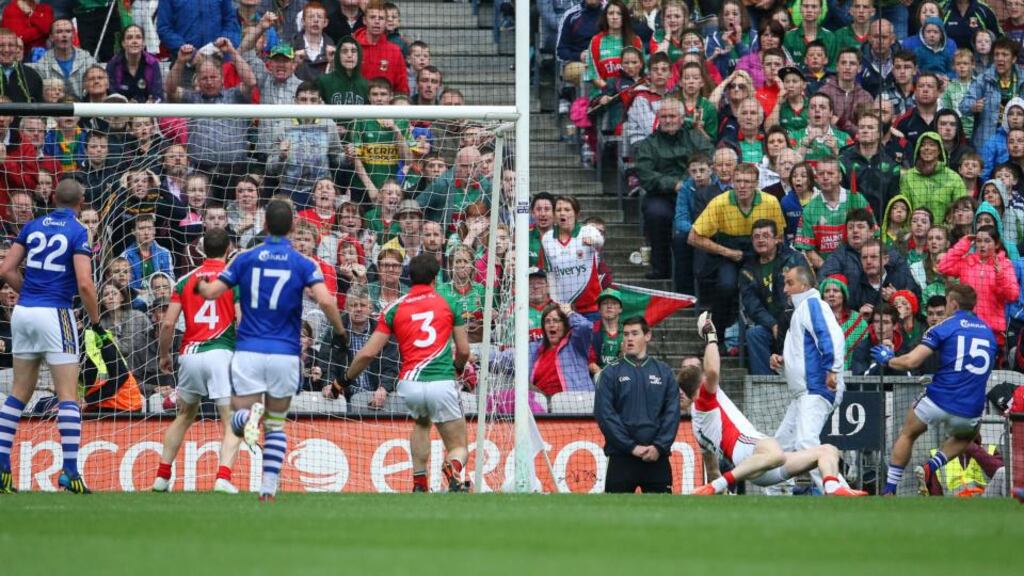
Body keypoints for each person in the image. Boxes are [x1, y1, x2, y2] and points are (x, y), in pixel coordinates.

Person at [196, 199, 346, 502]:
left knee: (240, 415)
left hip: (249, 350)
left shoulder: (244, 258)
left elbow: (212, 293)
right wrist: (340, 332)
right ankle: (268, 487)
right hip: (285, 354)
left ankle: (245, 420)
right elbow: (327, 302)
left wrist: (200, 285)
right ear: (292, 227)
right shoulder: (304, 263)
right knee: (276, 424)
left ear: (264, 226)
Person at [678, 312, 865, 497]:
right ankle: (722, 483)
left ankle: (833, 489)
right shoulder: (704, 399)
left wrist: (720, 491)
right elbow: (712, 370)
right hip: (748, 450)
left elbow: (711, 469)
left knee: (828, 451)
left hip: (760, 468)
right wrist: (710, 335)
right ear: (701, 382)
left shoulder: (697, 424)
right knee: (777, 452)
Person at [0, 179, 101, 494]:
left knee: (18, 393)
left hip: (24, 313)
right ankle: (69, 471)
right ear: (81, 203)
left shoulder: (31, 225)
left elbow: (5, 269)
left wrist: (27, 292)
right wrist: (96, 320)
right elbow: (85, 283)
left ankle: (3, 468)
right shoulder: (77, 231)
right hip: (56, 313)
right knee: (68, 395)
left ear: (54, 198)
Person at [340, 253, 471, 493]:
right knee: (459, 446)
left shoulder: (393, 308)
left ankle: (419, 483)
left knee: (421, 424)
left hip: (409, 383)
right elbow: (463, 350)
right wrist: (459, 368)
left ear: (409, 277)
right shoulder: (448, 302)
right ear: (435, 277)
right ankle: (452, 467)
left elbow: (368, 353)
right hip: (441, 380)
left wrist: (343, 381)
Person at [872, 285, 999, 496]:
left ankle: (889, 489)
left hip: (938, 399)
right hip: (970, 408)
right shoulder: (988, 333)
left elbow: (912, 361)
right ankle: (931, 466)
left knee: (908, 433)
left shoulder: (944, 327)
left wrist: (889, 359)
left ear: (953, 304)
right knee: (967, 437)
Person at [152, 228, 241, 494]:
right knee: (230, 419)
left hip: (189, 355)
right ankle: (222, 477)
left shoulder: (184, 280)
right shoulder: (232, 280)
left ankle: (162, 477)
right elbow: (241, 319)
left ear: (201, 250)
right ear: (228, 249)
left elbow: (168, 323)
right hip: (220, 354)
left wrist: (164, 355)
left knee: (184, 416)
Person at [767, 265, 853, 492]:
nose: (785, 289)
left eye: (789, 283)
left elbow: (833, 337)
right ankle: (776, 493)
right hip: (803, 393)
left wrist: (833, 370)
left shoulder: (812, 304)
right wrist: (782, 364)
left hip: (816, 389)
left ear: (804, 285)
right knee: (779, 446)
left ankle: (836, 489)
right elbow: (804, 355)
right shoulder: (802, 309)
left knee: (806, 443)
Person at [594, 316, 680, 493]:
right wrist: (631, 447)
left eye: (635, 333)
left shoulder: (664, 371)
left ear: (647, 336)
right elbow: (605, 415)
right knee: (613, 518)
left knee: (663, 517)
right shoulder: (610, 372)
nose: (629, 338)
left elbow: (672, 414)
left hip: (657, 458)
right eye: (625, 334)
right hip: (621, 458)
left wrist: (658, 446)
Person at [635, 98, 714, 280]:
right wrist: (673, 184)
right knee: (656, 214)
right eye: (664, 116)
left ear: (681, 118)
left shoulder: (695, 136)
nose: (668, 120)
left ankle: (700, 272)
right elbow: (645, 173)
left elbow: (708, 158)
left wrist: (688, 183)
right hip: (663, 195)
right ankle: (661, 267)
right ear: (658, 119)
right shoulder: (650, 143)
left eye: (672, 116)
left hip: (696, 190)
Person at [740, 219, 804, 375]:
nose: (761, 240)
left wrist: (785, 323)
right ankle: (765, 384)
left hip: (795, 320)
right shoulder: (747, 270)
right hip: (770, 324)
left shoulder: (794, 259)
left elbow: (806, 289)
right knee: (754, 335)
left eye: (766, 235)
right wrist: (773, 325)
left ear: (777, 239)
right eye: (756, 236)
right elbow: (752, 305)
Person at [29, 19, 96, 101]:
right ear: (51, 37)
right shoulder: (42, 64)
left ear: (73, 35)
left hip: (83, 108)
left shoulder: (87, 59)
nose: (64, 35)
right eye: (59, 32)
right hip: (54, 109)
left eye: (68, 31)